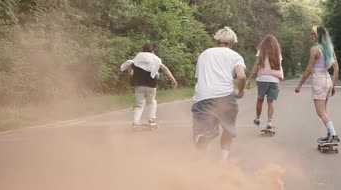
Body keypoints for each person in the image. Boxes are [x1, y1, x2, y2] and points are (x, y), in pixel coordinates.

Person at [191, 27, 247, 160]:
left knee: (206, 132)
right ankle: (223, 162)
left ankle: (200, 164)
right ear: (232, 43)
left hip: (202, 98)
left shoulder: (204, 54)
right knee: (228, 130)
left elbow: (199, 77)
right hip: (225, 97)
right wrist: (241, 91)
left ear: (218, 40)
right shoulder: (235, 56)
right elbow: (241, 76)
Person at [294, 25, 340, 143]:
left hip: (319, 81)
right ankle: (330, 134)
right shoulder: (330, 48)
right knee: (324, 111)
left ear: (317, 35)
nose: (310, 36)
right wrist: (333, 85)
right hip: (327, 79)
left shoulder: (315, 49)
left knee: (320, 112)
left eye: (312, 34)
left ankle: (334, 136)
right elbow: (336, 69)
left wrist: (299, 85)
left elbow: (308, 70)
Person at [120, 42, 178, 129]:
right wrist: (173, 80)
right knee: (152, 102)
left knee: (139, 105)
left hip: (138, 84)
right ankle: (151, 121)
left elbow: (131, 68)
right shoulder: (155, 58)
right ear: (153, 50)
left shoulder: (138, 56)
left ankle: (135, 124)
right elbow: (165, 69)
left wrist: (131, 73)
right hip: (151, 84)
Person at [247, 34, 284, 130]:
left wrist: (249, 78)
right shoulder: (277, 53)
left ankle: (257, 119)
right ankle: (269, 122)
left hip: (262, 79)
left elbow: (256, 65)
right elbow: (279, 67)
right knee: (270, 102)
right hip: (274, 80)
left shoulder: (261, 51)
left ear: (264, 43)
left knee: (260, 99)